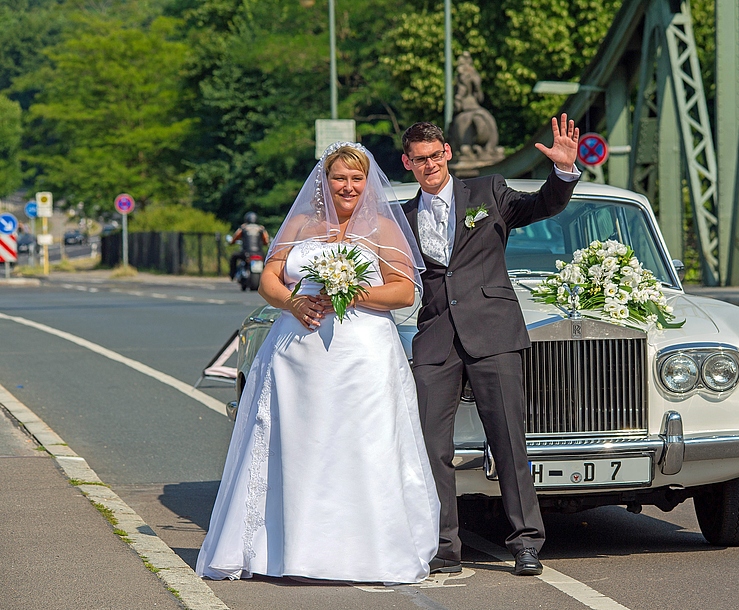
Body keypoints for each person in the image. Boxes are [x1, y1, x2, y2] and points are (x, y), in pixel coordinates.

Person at [197, 142, 440, 584]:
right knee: (297, 446)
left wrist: (352, 293)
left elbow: (405, 291)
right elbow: (268, 280)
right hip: (297, 356)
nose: (347, 187)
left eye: (356, 178)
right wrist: (293, 303)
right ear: (324, 181)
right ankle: (283, 550)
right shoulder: (301, 224)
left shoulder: (384, 228)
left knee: (361, 446)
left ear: (367, 183)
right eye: (339, 178)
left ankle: (366, 552)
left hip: (361, 357)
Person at [400, 114, 580, 576]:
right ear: (408, 164)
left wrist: (562, 172)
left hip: (493, 331)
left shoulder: (488, 193)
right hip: (436, 338)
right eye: (418, 160)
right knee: (429, 445)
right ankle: (443, 547)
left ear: (447, 154)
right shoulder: (400, 219)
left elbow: (543, 205)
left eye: (434, 156)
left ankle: (526, 542)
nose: (428, 165)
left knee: (508, 440)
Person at [228, 212, 270, 280]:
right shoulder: (261, 228)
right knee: (268, 262)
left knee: (234, 257)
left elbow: (235, 237)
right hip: (259, 253)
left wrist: (232, 242)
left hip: (246, 252)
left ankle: (232, 275)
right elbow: (266, 240)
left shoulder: (243, 228)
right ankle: (268, 277)